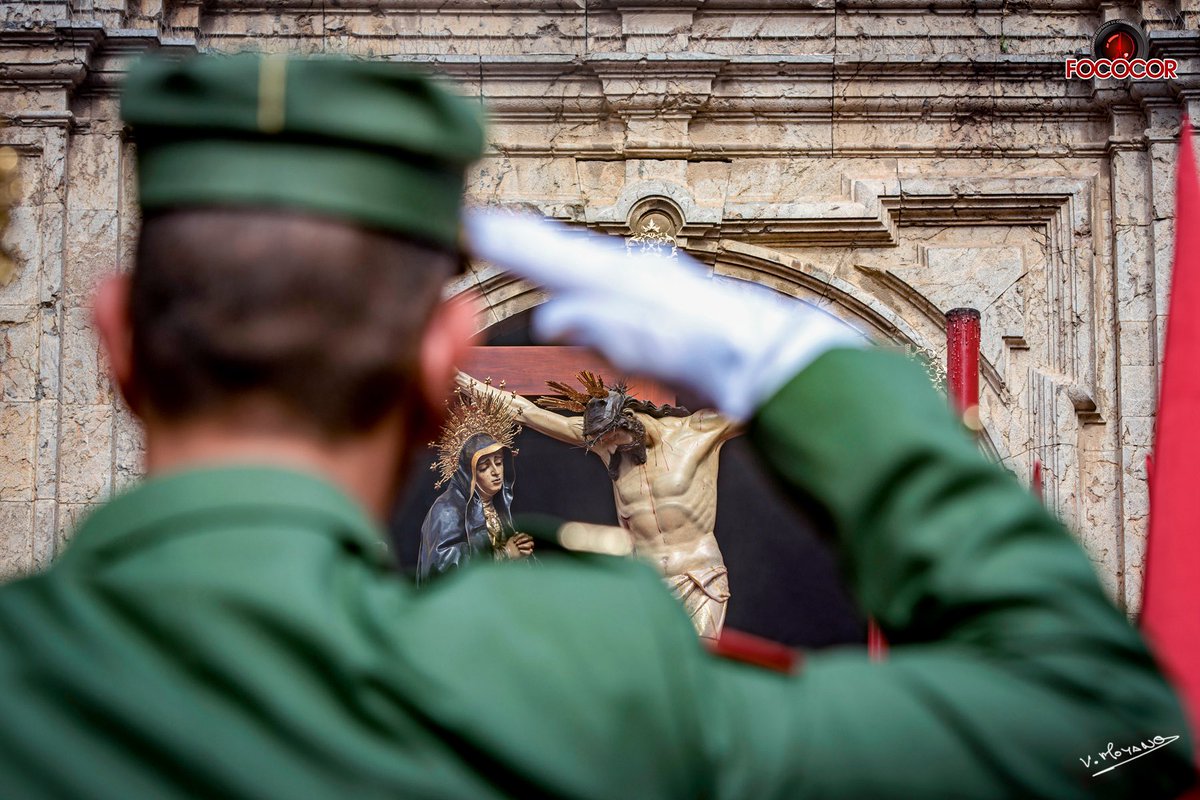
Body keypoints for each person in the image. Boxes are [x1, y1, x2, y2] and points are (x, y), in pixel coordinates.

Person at [0, 51, 1192, 800]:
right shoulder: (585, 683)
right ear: (437, 367)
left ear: (116, 337)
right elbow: (1119, 739)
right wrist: (806, 369)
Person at [459, 368, 738, 640]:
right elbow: (527, 412)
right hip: (646, 586)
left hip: (699, 576)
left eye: (613, 439)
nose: (608, 447)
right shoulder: (605, 443)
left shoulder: (698, 432)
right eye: (601, 442)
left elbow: (755, 399)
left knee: (698, 661)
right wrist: (463, 382)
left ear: (629, 421)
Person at [417, 384, 534, 582]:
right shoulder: (447, 510)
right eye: (484, 467)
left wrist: (523, 553)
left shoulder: (499, 508)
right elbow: (443, 568)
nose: (496, 472)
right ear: (468, 473)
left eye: (499, 462)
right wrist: (505, 555)